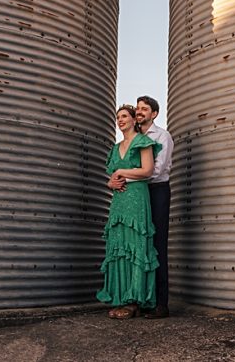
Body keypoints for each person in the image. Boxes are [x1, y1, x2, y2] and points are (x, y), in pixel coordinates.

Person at [110, 95, 173, 318]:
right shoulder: (136, 137)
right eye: (138, 108)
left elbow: (154, 171)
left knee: (157, 245)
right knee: (140, 245)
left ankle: (161, 304)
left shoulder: (161, 136)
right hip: (136, 192)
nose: (140, 112)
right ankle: (143, 298)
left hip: (156, 191)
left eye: (145, 109)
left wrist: (124, 178)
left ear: (154, 114)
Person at [96, 104, 161, 319]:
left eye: (124, 116)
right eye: (117, 117)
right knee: (120, 246)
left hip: (136, 197)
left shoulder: (143, 142)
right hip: (120, 200)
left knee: (135, 246)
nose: (120, 120)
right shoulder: (116, 147)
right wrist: (110, 184)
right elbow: (111, 178)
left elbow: (148, 170)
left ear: (134, 119)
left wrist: (122, 171)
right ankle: (122, 298)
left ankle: (135, 301)